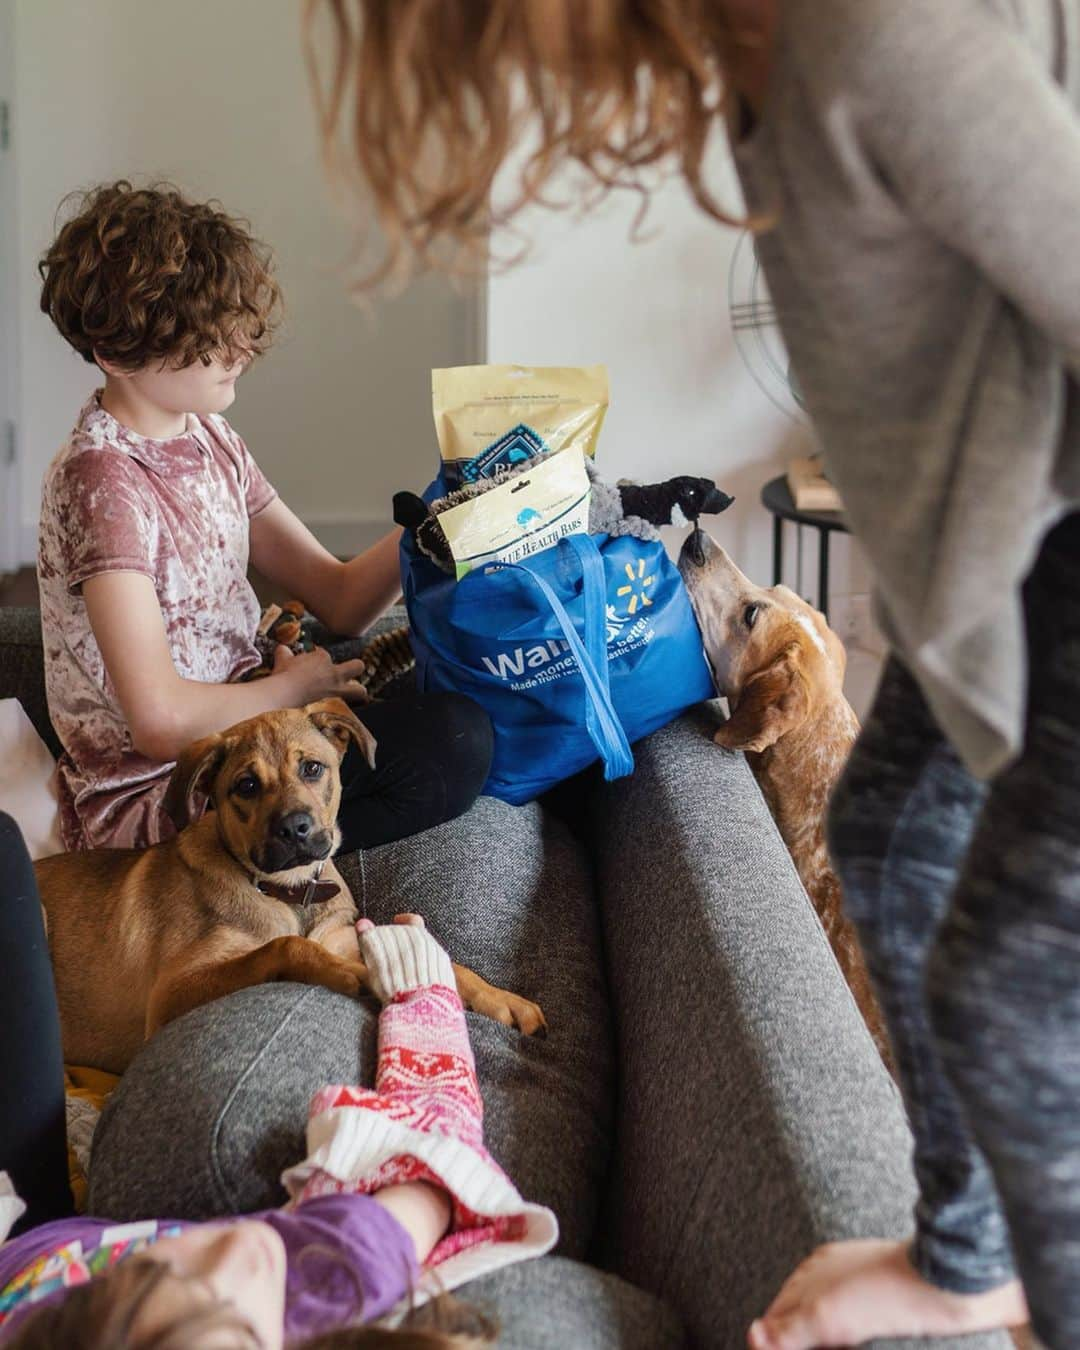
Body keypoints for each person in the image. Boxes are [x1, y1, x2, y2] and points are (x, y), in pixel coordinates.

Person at [300, 2, 1080, 1347]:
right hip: (990, 589)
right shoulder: (777, 74)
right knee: (887, 838)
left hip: (1058, 571)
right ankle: (967, 1258)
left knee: (1005, 976)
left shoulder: (881, 40)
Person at [35, 181, 493, 856]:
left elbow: (339, 600)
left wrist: (443, 520)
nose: (242, 349)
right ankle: (249, 869)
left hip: (257, 723)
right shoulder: (101, 480)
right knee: (454, 741)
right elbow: (160, 722)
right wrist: (290, 690)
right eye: (209, 338)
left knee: (463, 670)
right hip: (176, 788)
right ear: (116, 354)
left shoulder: (209, 436)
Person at [0, 811, 555, 1348]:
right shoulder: (339, 1274)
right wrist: (433, 989)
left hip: (22, 1225)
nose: (236, 1246)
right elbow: (442, 1147)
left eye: (161, 1276)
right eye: (236, 1326)